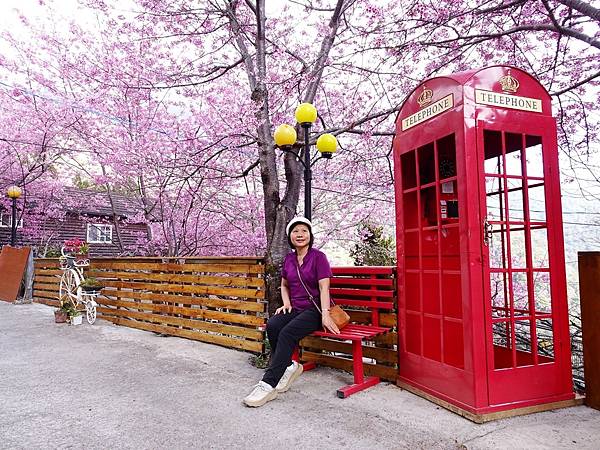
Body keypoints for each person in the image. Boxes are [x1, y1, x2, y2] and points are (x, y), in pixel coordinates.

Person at [243, 217, 340, 407]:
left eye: (304, 231)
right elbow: (284, 284)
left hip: (315, 310)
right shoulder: (289, 259)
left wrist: (325, 314)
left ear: (310, 235)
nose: (300, 234)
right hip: (296, 309)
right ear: (290, 237)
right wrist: (286, 303)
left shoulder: (318, 257)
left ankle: (268, 384)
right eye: (295, 231)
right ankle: (288, 365)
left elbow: (324, 288)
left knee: (287, 333)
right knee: (273, 325)